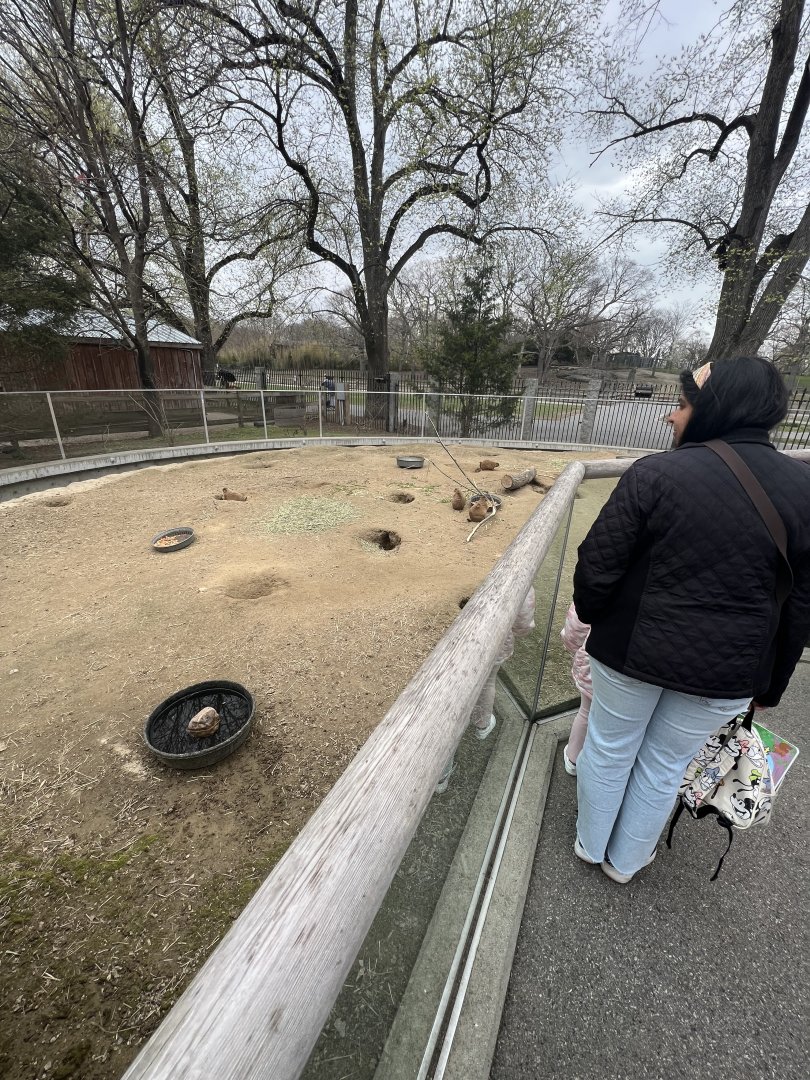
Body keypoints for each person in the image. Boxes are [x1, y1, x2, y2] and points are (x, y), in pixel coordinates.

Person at [572, 355, 810, 883]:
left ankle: (590, 844)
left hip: (631, 651)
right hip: (727, 672)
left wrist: (592, 618)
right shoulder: (804, 488)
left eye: (682, 405)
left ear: (713, 406)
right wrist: (772, 686)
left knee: (611, 750)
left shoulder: (656, 473)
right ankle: (626, 862)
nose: (671, 418)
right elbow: (800, 604)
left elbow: (597, 566)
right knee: (664, 766)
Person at [560, 602, 592, 775]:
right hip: (639, 676)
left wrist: (574, 646)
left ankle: (573, 760)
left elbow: (578, 623)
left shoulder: (607, 575)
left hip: (596, 663)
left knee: (586, 712)